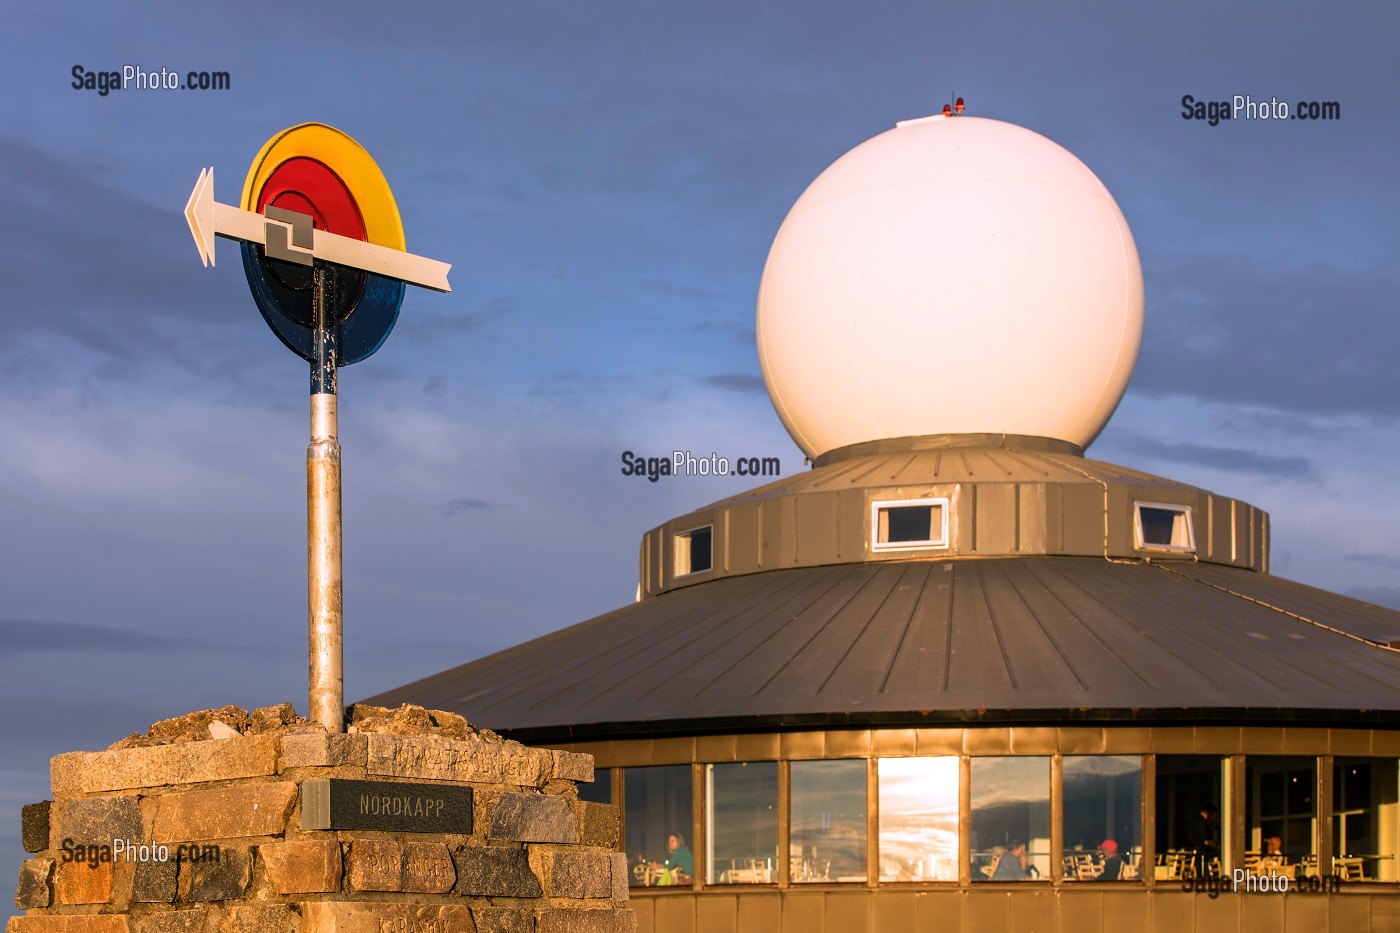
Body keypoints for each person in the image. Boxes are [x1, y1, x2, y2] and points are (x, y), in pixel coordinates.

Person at [1186, 803, 1220, 878]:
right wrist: (1217, 846)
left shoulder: (1195, 821)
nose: (1214, 818)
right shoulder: (1201, 823)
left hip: (1195, 852)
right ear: (1209, 813)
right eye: (1214, 815)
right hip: (1200, 854)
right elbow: (1206, 841)